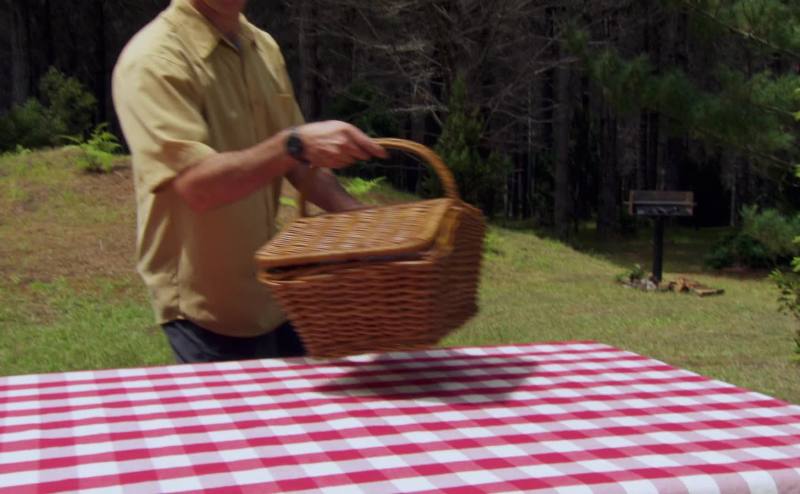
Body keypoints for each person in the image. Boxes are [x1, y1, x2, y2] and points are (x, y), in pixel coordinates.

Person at [112, 0, 387, 364]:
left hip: (274, 292)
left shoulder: (262, 47)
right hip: (206, 312)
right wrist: (293, 144)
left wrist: (362, 220)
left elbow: (299, 162)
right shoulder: (153, 60)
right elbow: (198, 187)